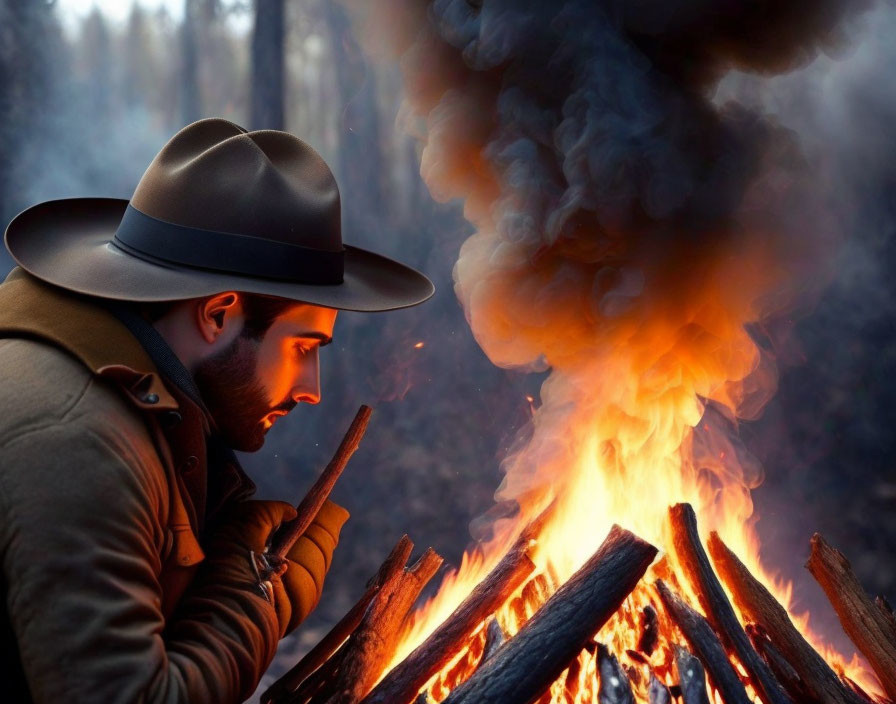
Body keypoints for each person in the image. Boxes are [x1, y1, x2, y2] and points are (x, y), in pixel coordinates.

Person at [0, 118, 434, 703]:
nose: (313, 389)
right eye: (303, 348)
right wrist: (258, 592)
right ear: (218, 314)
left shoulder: (117, 396)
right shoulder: (81, 439)